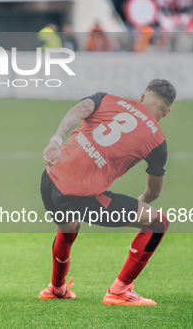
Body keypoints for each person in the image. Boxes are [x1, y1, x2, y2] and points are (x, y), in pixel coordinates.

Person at [39, 79, 176, 306]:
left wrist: (55, 141)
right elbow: (155, 191)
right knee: (159, 222)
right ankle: (119, 292)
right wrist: (140, 203)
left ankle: (56, 288)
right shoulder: (157, 141)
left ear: (142, 96)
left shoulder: (107, 99)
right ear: (167, 112)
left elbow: (78, 110)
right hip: (80, 196)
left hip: (50, 179)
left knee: (68, 227)